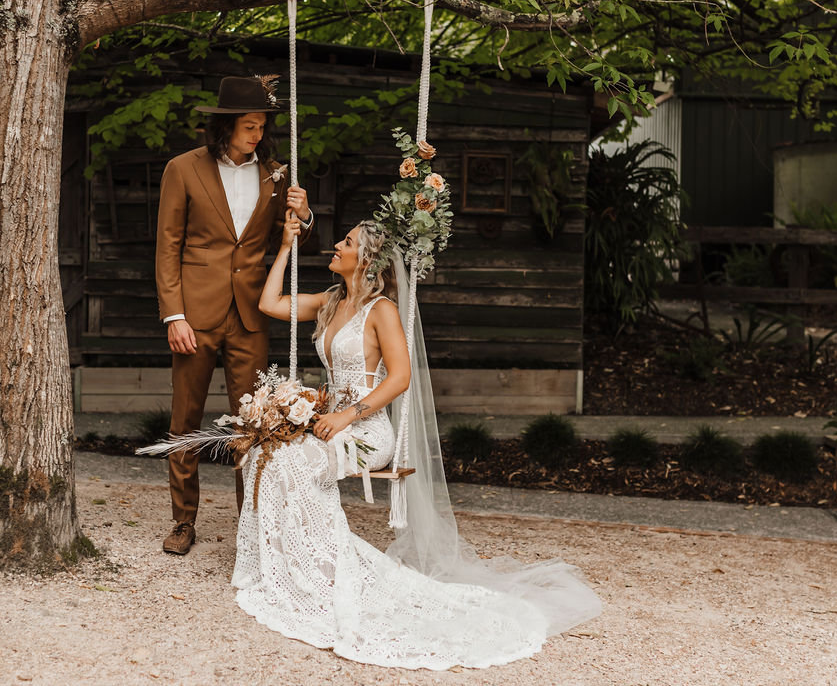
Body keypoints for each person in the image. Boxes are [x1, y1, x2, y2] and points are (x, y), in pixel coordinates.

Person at [232, 217, 602, 670]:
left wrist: (350, 414)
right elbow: (269, 302)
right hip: (327, 422)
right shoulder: (331, 302)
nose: (335, 246)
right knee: (264, 454)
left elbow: (401, 377)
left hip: (366, 430)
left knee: (289, 463)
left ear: (365, 260)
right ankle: (288, 568)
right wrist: (287, 243)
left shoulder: (381, 310)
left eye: (346, 243)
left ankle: (324, 574)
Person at [154, 76, 313, 555]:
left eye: (262, 126)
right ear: (225, 126)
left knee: (254, 424)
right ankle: (183, 521)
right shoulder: (182, 169)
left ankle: (253, 524)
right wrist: (173, 315)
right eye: (249, 126)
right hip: (195, 316)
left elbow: (287, 243)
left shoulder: (276, 175)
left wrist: (303, 218)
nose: (257, 135)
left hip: (250, 313)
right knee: (186, 421)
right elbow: (168, 247)